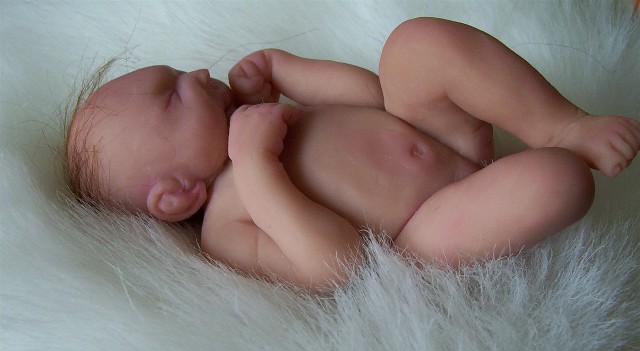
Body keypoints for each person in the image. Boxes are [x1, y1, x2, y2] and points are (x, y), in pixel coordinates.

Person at [65, 18, 640, 292]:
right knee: (559, 182)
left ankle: (562, 123)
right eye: (173, 94)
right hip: (427, 227)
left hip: (435, 135)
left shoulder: (263, 118)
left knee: (414, 45)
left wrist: (285, 71)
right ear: (175, 195)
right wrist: (259, 167)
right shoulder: (227, 227)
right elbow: (336, 267)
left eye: (176, 70)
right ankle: (549, 164)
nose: (195, 73)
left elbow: (369, 98)